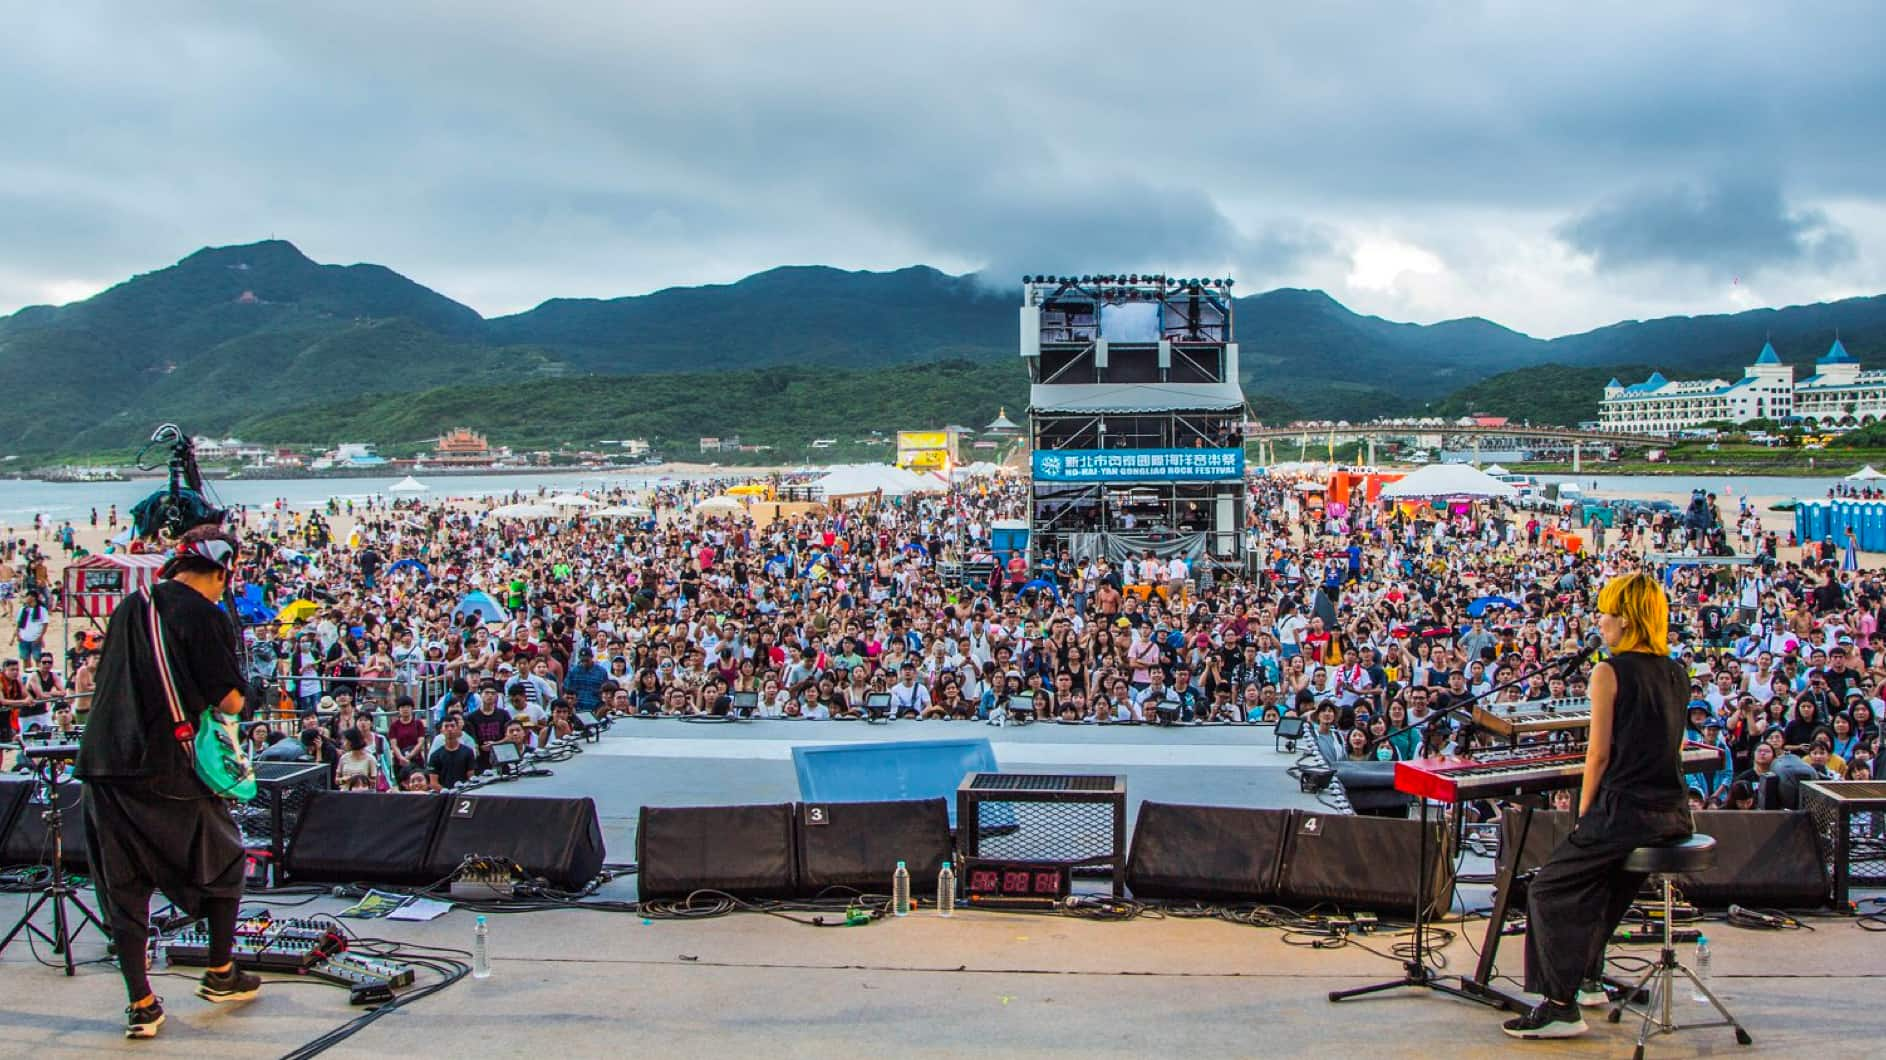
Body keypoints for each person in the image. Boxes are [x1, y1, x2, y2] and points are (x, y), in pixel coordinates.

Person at [73, 526, 261, 1039]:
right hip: (163, 765)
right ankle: (221, 972)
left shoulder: (131, 606)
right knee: (224, 861)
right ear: (222, 571)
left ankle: (142, 1003)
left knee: (123, 884)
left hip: (102, 764)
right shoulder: (204, 615)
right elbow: (230, 702)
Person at [1507, 572, 1693, 1041]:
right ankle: (1588, 979)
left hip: (1625, 812)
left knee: (1547, 889)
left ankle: (1559, 1006)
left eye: (1606, 613)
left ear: (1627, 620)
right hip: (1672, 813)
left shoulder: (1608, 671)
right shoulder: (1676, 672)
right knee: (1605, 888)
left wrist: (1586, 813)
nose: (1600, 621)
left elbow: (1599, 754)